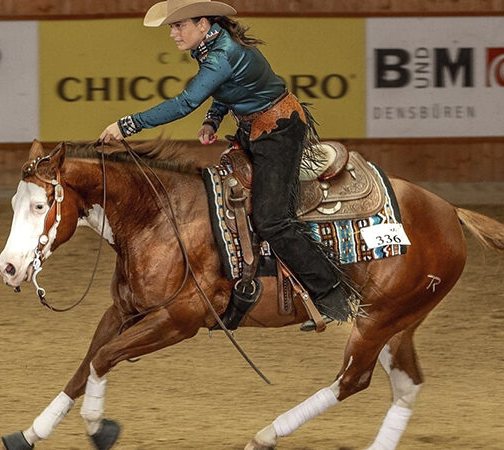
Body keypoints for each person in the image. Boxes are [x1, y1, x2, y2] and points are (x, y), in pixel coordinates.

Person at [98, 0, 352, 329]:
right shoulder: (214, 47)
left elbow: (185, 101)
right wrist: (213, 119)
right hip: (257, 129)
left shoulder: (221, 54)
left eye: (179, 26)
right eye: (172, 27)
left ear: (203, 23)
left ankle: (332, 294)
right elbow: (227, 88)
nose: (173, 34)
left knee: (272, 219)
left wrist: (128, 125)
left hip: (279, 132)